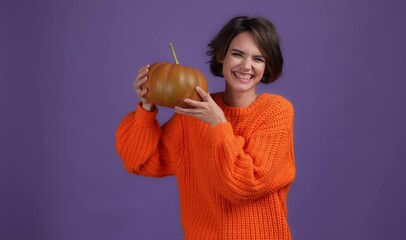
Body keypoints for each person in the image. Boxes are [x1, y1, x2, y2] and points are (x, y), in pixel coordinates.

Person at [115, 16, 296, 240]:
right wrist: (146, 106)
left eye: (258, 58)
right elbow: (139, 161)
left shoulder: (276, 111)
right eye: (237, 54)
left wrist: (218, 124)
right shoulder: (193, 115)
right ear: (222, 56)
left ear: (266, 65)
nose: (246, 66)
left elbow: (244, 186)